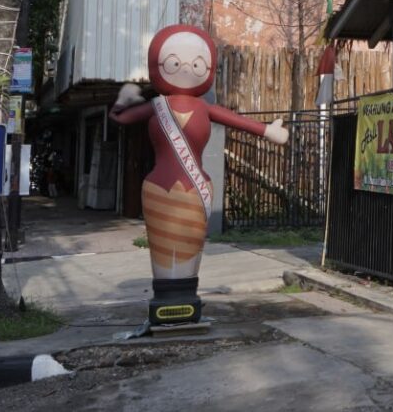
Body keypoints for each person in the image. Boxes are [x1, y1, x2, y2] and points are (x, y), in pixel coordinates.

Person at [110, 24, 288, 325]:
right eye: (176, 62)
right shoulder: (157, 105)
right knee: (164, 251)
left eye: (197, 63)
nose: (187, 67)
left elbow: (236, 120)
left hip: (196, 188)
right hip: (158, 190)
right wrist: (124, 98)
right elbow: (119, 118)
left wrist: (268, 130)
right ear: (159, 64)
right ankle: (166, 298)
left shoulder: (203, 108)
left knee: (191, 247)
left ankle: (186, 295)